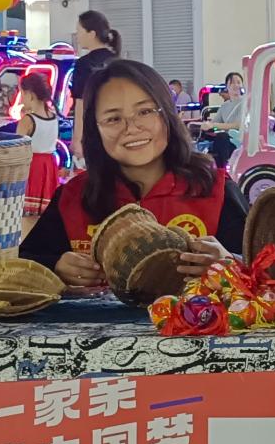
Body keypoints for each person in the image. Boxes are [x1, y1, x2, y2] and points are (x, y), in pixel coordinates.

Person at [21, 59, 248, 287]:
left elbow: (263, 271)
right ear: (95, 129)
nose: (131, 128)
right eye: (113, 119)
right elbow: (24, 263)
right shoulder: (73, 198)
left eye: (145, 111)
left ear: (168, 115)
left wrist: (230, 264)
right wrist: (55, 265)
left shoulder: (216, 190)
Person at [69, 9, 121, 160]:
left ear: (91, 34)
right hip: (116, 128)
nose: (77, 36)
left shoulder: (83, 64)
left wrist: (77, 139)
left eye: (79, 31)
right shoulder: (118, 60)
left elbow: (81, 104)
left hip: (94, 130)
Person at [17, 72, 62, 230]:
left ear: (30, 95)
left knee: (27, 218)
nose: (21, 99)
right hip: (49, 167)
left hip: (32, 167)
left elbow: (17, 149)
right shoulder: (54, 118)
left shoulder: (27, 120)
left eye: (22, 94)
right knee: (43, 216)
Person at [206, 72, 248, 166]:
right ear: (227, 86)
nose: (236, 85)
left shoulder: (245, 103)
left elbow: (238, 125)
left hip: (239, 140)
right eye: (232, 82)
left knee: (222, 137)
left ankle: (224, 168)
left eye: (238, 82)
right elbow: (214, 124)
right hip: (226, 140)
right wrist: (208, 126)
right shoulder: (225, 106)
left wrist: (214, 125)